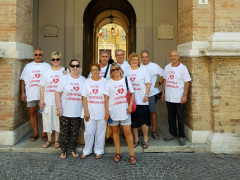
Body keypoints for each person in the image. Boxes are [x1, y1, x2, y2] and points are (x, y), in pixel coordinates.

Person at [104, 63, 136, 165]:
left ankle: (132, 155)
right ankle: (118, 153)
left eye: (117, 69)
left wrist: (130, 105)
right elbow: (106, 98)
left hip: (125, 111)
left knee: (127, 133)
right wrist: (106, 112)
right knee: (115, 133)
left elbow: (132, 93)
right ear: (111, 72)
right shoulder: (108, 83)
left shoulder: (126, 79)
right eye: (113, 70)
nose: (115, 71)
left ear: (120, 70)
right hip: (113, 111)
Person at [55, 59, 86, 159]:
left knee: (74, 132)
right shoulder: (64, 79)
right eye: (73, 66)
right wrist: (59, 108)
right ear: (69, 67)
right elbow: (57, 93)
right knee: (64, 131)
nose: (75, 68)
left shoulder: (83, 80)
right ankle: (63, 150)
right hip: (65, 110)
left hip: (77, 111)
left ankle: (72, 149)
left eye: (77, 66)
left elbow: (85, 96)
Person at [20, 49, 51, 141]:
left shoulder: (47, 66)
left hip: (43, 95)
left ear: (42, 55)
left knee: (43, 114)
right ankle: (35, 133)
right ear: (33, 55)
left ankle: (44, 133)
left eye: (40, 54)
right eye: (36, 54)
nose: (38, 56)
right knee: (32, 112)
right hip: (31, 93)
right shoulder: (28, 66)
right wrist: (22, 93)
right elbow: (22, 80)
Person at [162, 50, 191, 146]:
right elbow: (165, 80)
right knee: (171, 117)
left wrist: (185, 95)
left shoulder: (183, 68)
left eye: (175, 56)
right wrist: (163, 92)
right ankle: (172, 133)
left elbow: (187, 82)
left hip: (179, 98)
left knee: (180, 117)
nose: (173, 57)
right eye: (171, 56)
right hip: (169, 97)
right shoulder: (167, 67)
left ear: (178, 57)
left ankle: (181, 136)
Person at [40, 52, 67, 149]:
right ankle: (49, 140)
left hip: (59, 101)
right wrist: (41, 100)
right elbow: (42, 87)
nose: (56, 61)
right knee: (47, 120)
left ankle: (57, 140)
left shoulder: (65, 71)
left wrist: (67, 74)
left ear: (60, 59)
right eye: (53, 59)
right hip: (48, 100)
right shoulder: (47, 72)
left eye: (57, 59)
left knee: (57, 121)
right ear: (51, 60)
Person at [80, 63, 107, 159]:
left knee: (101, 132)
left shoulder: (105, 81)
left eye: (97, 69)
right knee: (88, 132)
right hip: (90, 112)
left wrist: (107, 112)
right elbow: (84, 97)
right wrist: (86, 112)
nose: (95, 71)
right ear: (90, 72)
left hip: (102, 111)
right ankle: (86, 151)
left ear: (100, 71)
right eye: (93, 70)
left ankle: (99, 151)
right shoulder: (87, 82)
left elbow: (107, 98)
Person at [125, 53, 151, 149]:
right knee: (133, 121)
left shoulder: (143, 70)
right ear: (129, 61)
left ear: (138, 61)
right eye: (132, 59)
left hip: (142, 99)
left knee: (143, 121)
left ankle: (145, 139)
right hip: (131, 100)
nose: (134, 61)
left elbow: (148, 84)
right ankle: (136, 139)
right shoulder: (126, 71)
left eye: (136, 59)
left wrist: (146, 95)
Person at [141, 50, 164, 139]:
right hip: (141, 94)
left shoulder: (154, 66)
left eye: (146, 56)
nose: (145, 58)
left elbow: (164, 74)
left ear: (149, 57)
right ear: (141, 58)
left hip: (151, 93)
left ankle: (154, 130)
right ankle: (143, 130)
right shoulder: (139, 66)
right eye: (143, 57)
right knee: (142, 113)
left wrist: (159, 83)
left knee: (152, 111)